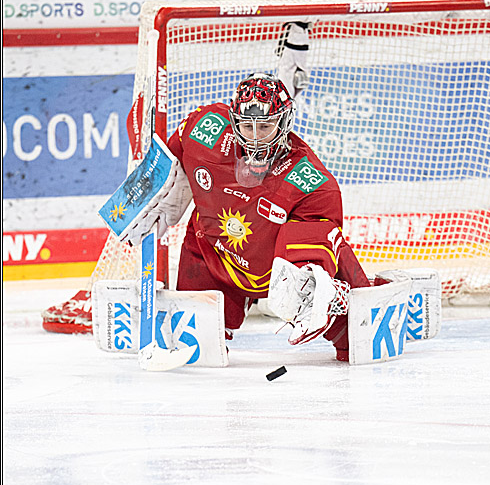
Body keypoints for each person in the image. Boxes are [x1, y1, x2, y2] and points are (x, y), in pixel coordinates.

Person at [128, 65, 370, 362]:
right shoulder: (203, 129)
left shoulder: (311, 182)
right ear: (234, 121)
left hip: (273, 268)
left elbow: (322, 236)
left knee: (358, 342)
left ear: (284, 124)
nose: (255, 137)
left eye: (265, 127)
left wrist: (314, 281)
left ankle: (342, 297)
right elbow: (164, 159)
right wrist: (141, 189)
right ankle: (223, 313)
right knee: (199, 355)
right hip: (215, 254)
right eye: (247, 126)